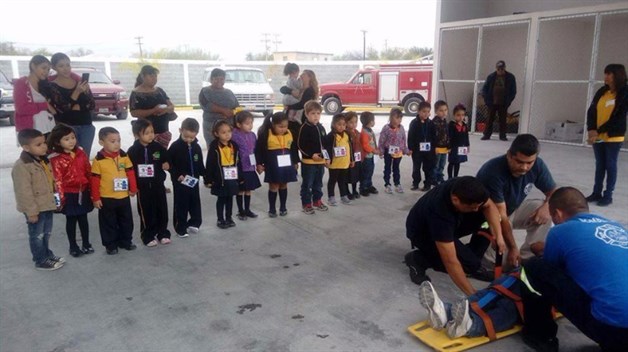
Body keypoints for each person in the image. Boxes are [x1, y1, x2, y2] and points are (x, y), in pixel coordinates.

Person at [520, 187, 628, 352]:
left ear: (557, 214)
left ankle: (540, 336)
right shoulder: (617, 228)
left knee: (534, 267)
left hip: (614, 331)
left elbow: (552, 270)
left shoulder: (560, 231)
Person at [404, 176, 505, 295]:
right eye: (472, 207)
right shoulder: (440, 214)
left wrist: (498, 236)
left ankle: (472, 263)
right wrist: (472, 294)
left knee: (487, 220)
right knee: (466, 264)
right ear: (455, 199)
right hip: (423, 233)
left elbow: (489, 205)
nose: (477, 209)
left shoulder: (465, 187)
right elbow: (450, 261)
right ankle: (417, 259)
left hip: (453, 222)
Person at [476, 134, 557, 270]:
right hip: (490, 218)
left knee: (545, 207)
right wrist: (513, 248)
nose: (524, 168)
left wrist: (547, 206)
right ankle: (499, 257)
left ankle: (528, 259)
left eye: (529, 163)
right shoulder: (493, 172)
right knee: (496, 264)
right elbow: (501, 217)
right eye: (519, 162)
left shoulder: (538, 165)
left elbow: (553, 192)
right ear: (509, 155)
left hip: (512, 209)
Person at [12, 129, 65, 270]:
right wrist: (31, 212)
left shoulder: (43, 160)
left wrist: (56, 200)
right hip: (35, 209)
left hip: (47, 204)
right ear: (26, 148)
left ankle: (47, 254)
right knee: (37, 235)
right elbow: (23, 192)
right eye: (38, 144)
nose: (44, 147)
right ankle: (40, 260)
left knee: (46, 233)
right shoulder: (22, 166)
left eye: (44, 143)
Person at [48, 124, 94, 257]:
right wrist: (61, 199)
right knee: (71, 220)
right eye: (66, 139)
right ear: (58, 142)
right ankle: (73, 246)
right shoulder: (56, 159)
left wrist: (91, 191)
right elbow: (58, 181)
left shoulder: (81, 152)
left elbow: (88, 171)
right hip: (69, 194)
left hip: (83, 191)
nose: (71, 141)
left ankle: (86, 243)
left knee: (83, 219)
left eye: (73, 137)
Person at [90, 127, 138, 255]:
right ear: (101, 142)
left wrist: (133, 188)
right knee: (108, 222)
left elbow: (131, 172)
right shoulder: (98, 160)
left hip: (123, 196)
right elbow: (94, 180)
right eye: (112, 141)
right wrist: (96, 198)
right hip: (107, 197)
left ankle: (126, 241)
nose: (117, 144)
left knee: (126, 220)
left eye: (119, 140)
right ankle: (110, 245)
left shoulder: (124, 156)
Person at [585, 63, 627, 207]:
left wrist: (599, 130)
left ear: (617, 75)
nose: (606, 77)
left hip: (613, 136)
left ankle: (608, 195)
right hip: (597, 135)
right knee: (600, 165)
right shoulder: (602, 91)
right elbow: (592, 110)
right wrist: (591, 129)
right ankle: (596, 192)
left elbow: (618, 117)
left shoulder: (624, 92)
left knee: (610, 164)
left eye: (609, 74)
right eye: (606, 73)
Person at [127, 119, 172, 247]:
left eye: (152, 132)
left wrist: (167, 163)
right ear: (137, 135)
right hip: (143, 187)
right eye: (146, 133)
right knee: (146, 211)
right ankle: (148, 235)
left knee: (162, 209)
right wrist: (132, 186)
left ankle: (163, 233)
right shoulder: (132, 151)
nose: (151, 135)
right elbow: (129, 170)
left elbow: (166, 158)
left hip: (158, 185)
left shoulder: (158, 147)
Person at [48, 53, 96, 157]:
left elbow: (92, 104)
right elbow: (63, 108)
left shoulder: (79, 82)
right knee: (68, 158)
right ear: (54, 67)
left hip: (86, 125)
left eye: (68, 65)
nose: (66, 69)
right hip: (67, 127)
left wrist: (77, 106)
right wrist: (77, 92)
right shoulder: (52, 86)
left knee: (83, 158)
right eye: (61, 66)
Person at [255, 112, 300, 218]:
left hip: (286, 164)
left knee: (284, 184)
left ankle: (283, 207)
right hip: (273, 165)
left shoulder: (290, 133)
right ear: (273, 125)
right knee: (274, 185)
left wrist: (295, 162)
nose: (283, 129)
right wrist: (259, 163)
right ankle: (272, 208)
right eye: (280, 127)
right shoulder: (266, 134)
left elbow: (293, 149)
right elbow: (259, 150)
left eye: (285, 126)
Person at [168, 118, 205, 238]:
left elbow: (199, 164)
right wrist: (176, 174)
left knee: (195, 202)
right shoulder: (175, 147)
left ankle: (195, 223)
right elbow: (169, 164)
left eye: (192, 137)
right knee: (181, 205)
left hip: (194, 181)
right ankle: (180, 228)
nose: (189, 140)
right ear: (180, 130)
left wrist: (207, 176)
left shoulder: (197, 147)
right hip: (180, 182)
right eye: (186, 136)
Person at [205, 120, 242, 229]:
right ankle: (220, 219)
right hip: (219, 177)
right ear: (216, 134)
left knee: (230, 198)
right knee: (221, 199)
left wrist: (240, 176)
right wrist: (208, 179)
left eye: (229, 132)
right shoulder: (214, 146)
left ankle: (229, 217)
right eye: (223, 132)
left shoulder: (234, 145)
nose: (227, 134)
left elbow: (238, 161)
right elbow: (210, 163)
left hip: (232, 174)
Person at [129, 65, 176, 149]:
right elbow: (134, 113)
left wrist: (166, 110)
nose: (154, 78)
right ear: (143, 76)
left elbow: (171, 106)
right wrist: (153, 110)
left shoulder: (159, 91)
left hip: (163, 130)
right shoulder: (136, 93)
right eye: (151, 76)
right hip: (146, 133)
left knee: (161, 157)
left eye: (155, 76)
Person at [297, 100, 329, 214]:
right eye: (313, 113)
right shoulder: (304, 128)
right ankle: (306, 204)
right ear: (306, 114)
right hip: (309, 162)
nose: (316, 116)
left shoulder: (321, 127)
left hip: (320, 162)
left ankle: (317, 201)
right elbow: (301, 145)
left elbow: (325, 144)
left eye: (318, 113)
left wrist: (327, 158)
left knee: (318, 183)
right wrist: (311, 154)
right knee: (307, 184)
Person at [13, 55, 56, 136]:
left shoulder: (45, 84)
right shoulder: (21, 83)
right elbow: (21, 109)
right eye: (43, 68)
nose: (46, 72)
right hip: (31, 131)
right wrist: (44, 105)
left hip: (49, 127)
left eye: (48, 69)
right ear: (33, 66)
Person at [231, 111, 261, 220]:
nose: (250, 125)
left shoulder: (252, 135)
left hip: (250, 166)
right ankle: (241, 211)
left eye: (251, 123)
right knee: (240, 189)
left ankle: (247, 209)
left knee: (248, 189)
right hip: (240, 167)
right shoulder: (234, 135)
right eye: (247, 123)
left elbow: (256, 150)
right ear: (239, 124)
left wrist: (258, 163)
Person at [199, 68, 239, 149]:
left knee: (229, 150)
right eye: (216, 79)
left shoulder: (229, 92)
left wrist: (234, 112)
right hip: (211, 127)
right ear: (211, 79)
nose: (219, 81)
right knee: (214, 150)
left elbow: (236, 106)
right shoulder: (205, 91)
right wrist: (224, 111)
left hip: (229, 127)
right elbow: (206, 104)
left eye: (222, 79)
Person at [481, 60, 516, 141]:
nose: (500, 71)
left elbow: (513, 91)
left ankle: (502, 135)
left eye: (502, 69)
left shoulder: (510, 77)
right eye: (498, 69)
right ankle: (487, 135)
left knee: (503, 119)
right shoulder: (491, 77)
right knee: (489, 119)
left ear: (504, 68)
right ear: (496, 69)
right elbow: (485, 89)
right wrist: (486, 100)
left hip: (503, 102)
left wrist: (509, 101)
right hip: (492, 102)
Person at [324, 113, 354, 206]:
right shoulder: (330, 136)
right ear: (333, 124)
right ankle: (331, 197)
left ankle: (343, 196)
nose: (342, 127)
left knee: (342, 180)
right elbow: (326, 148)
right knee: (332, 180)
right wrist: (327, 159)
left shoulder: (347, 135)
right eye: (339, 124)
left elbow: (350, 148)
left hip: (344, 163)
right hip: (334, 164)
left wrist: (352, 160)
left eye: (344, 125)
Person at [378, 108, 409, 194]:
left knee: (396, 168)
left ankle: (397, 183)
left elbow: (403, 140)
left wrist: (405, 150)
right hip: (388, 151)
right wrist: (381, 150)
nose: (398, 120)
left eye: (400, 118)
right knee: (387, 168)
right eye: (396, 117)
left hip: (398, 152)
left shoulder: (402, 128)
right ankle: (387, 184)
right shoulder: (386, 128)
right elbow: (382, 140)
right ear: (391, 117)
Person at [408, 101, 436, 191]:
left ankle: (427, 184)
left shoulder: (431, 123)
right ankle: (415, 183)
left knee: (428, 167)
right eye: (424, 111)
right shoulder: (414, 123)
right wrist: (410, 148)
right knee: (416, 167)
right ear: (418, 111)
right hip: (417, 150)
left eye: (428, 111)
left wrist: (434, 148)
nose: (426, 113)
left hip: (428, 151)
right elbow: (410, 136)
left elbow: (434, 137)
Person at [283, 69, 319, 138]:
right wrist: (291, 91)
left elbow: (303, 104)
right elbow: (283, 89)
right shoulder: (300, 88)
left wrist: (289, 107)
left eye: (304, 74)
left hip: (299, 119)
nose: (301, 75)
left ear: (309, 77)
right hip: (292, 117)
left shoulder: (310, 90)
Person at [359, 111, 380, 196]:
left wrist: (376, 148)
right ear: (369, 121)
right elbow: (365, 145)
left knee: (370, 171)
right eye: (373, 120)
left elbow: (373, 141)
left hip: (370, 156)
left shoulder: (369, 130)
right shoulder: (364, 132)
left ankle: (369, 185)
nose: (374, 122)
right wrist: (373, 150)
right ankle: (363, 187)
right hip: (366, 156)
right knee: (366, 172)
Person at [447, 103, 470, 179]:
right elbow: (449, 136)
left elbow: (466, 136)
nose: (461, 117)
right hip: (454, 147)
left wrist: (467, 145)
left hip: (461, 147)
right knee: (452, 162)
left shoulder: (464, 125)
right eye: (458, 115)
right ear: (454, 115)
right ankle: (450, 178)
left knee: (458, 162)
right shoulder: (451, 125)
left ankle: (455, 177)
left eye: (462, 115)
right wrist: (449, 147)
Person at [345, 111, 363, 200]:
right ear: (346, 123)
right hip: (349, 158)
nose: (354, 124)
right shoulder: (345, 133)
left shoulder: (357, 132)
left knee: (356, 175)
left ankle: (354, 190)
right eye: (351, 122)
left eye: (355, 122)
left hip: (357, 158)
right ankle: (347, 191)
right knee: (348, 175)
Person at [432, 100, 449, 185]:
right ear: (436, 111)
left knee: (443, 163)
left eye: (445, 110)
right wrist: (434, 147)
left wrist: (449, 146)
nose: (444, 112)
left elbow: (447, 135)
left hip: (444, 147)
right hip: (437, 147)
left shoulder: (445, 122)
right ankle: (434, 178)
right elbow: (432, 136)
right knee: (436, 164)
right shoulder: (434, 122)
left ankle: (440, 176)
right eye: (441, 110)